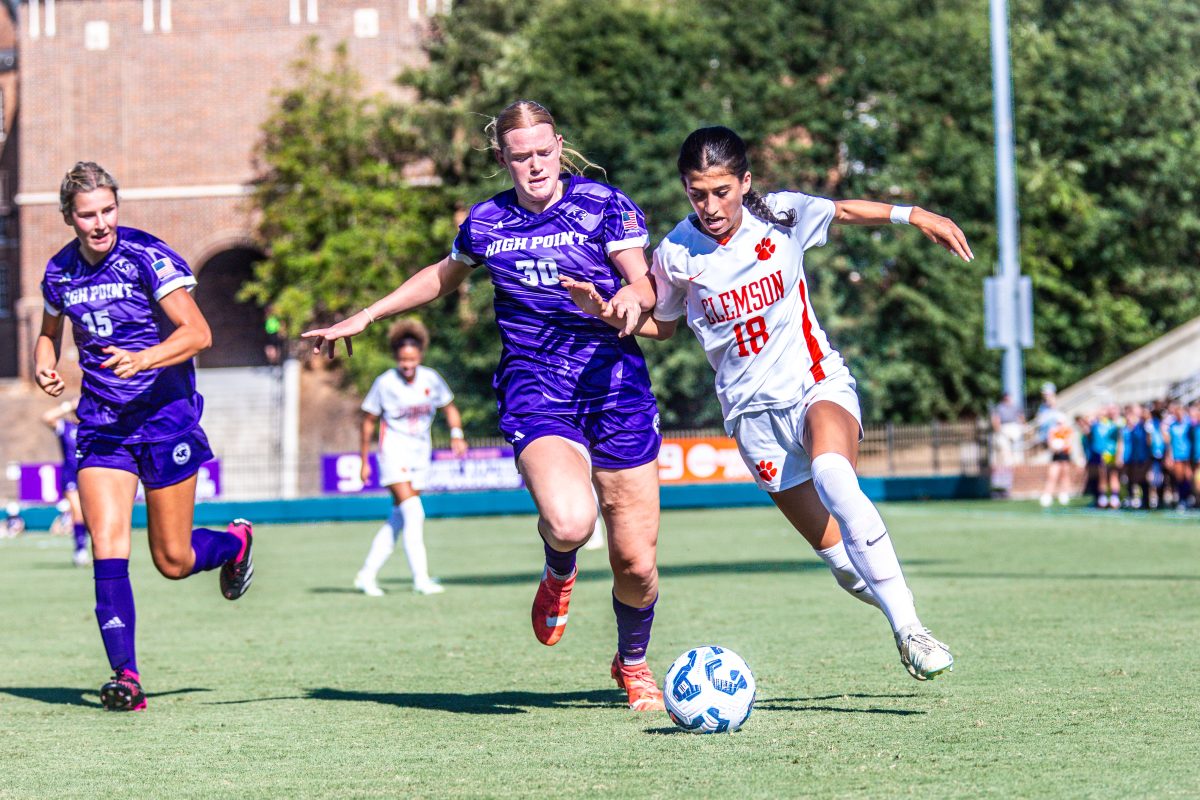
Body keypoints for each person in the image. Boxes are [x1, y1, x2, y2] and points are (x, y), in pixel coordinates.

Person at [564, 126, 972, 680]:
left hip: (815, 383)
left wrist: (915, 215)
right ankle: (895, 613)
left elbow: (846, 211)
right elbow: (662, 324)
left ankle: (910, 630)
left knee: (835, 475)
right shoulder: (678, 252)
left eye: (722, 191)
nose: (710, 206)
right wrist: (609, 314)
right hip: (753, 421)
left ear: (744, 182)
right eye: (697, 193)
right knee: (847, 571)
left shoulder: (781, 215)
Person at [303, 101, 666, 710]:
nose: (535, 166)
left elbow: (643, 282)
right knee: (572, 522)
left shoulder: (605, 205)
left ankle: (631, 663)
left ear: (560, 147)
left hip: (615, 389)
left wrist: (627, 299)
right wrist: (366, 315)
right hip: (537, 388)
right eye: (520, 156)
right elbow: (442, 276)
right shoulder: (487, 222)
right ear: (503, 159)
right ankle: (559, 570)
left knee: (635, 563)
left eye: (544, 152)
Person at [32, 162, 255, 712]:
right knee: (107, 548)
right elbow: (47, 334)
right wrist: (44, 365)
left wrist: (144, 359)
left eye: (108, 210)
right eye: (87, 215)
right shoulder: (59, 273)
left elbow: (198, 333)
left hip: (164, 419)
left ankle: (235, 543)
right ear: (69, 218)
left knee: (174, 561)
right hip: (103, 426)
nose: (100, 223)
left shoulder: (146, 256)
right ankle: (126, 678)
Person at [354, 319, 467, 597]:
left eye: (413, 360)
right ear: (396, 357)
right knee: (414, 513)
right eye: (403, 360)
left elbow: (449, 407)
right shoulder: (385, 383)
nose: (408, 365)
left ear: (420, 357)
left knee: (399, 517)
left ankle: (366, 575)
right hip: (393, 452)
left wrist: (456, 434)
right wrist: (364, 460)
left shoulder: (430, 378)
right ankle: (421, 579)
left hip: (420, 453)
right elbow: (368, 422)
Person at [41, 398, 90, 565]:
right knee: (77, 512)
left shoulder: (91, 427)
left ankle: (99, 549)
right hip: (71, 475)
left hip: (90, 474)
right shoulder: (65, 427)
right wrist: (68, 405)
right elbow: (47, 417)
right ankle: (80, 550)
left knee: (91, 514)